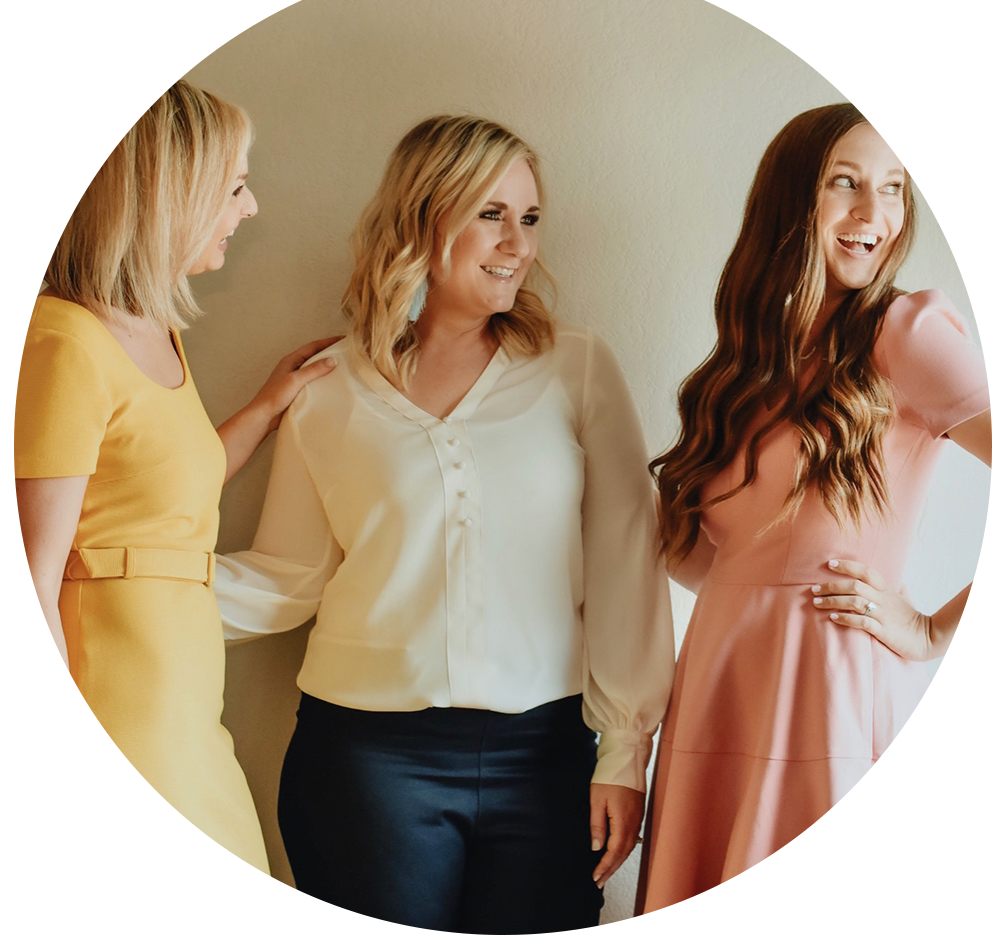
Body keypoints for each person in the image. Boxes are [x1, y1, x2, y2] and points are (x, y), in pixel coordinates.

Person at [214, 114, 673, 934]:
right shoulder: (327, 386)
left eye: (529, 219)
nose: (518, 244)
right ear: (425, 214)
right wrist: (131, 574)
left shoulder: (577, 366)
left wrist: (625, 755)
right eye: (491, 214)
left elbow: (624, 566)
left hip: (547, 762)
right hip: (365, 767)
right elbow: (290, 578)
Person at [635, 103, 991, 935]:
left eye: (894, 190)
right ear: (791, 200)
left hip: (837, 702)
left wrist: (935, 631)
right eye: (846, 184)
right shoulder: (738, 368)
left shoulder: (904, 333)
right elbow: (708, 560)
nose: (875, 215)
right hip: (723, 691)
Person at [14, 70, 336, 934]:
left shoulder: (155, 330)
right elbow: (26, 589)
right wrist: (63, 806)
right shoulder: (61, 344)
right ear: (166, 195)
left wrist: (267, 407)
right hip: (108, 732)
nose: (250, 206)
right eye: (233, 186)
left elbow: (159, 502)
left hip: (185, 719)